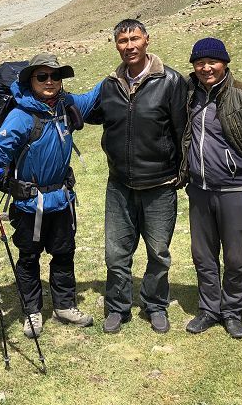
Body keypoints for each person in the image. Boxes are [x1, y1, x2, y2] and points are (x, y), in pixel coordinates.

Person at [0, 53, 101, 338]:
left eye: (55, 76)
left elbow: (95, 95)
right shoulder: (21, 115)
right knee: (29, 258)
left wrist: (123, 71)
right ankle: (32, 312)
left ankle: (65, 306)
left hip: (62, 199)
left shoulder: (66, 105)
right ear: (30, 81)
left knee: (64, 253)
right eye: (42, 76)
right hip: (30, 203)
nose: (50, 82)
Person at [88, 19, 188, 334]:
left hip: (160, 185)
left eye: (134, 38)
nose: (129, 46)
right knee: (116, 252)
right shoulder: (109, 85)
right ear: (116, 45)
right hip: (119, 184)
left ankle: (155, 304)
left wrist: (181, 173)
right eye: (122, 41)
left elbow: (182, 130)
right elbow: (90, 114)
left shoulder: (170, 81)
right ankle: (118, 307)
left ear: (146, 40)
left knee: (158, 252)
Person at [178, 37, 242, 339]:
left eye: (212, 61)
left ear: (225, 62)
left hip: (236, 190)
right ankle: (210, 309)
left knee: (236, 258)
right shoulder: (189, 94)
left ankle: (233, 312)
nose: (206, 67)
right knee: (203, 255)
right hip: (199, 189)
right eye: (200, 62)